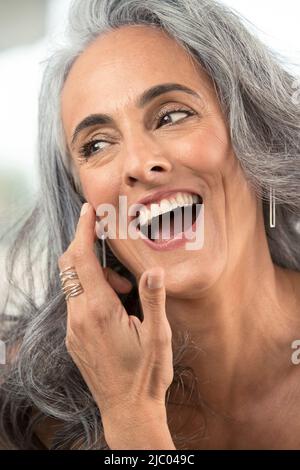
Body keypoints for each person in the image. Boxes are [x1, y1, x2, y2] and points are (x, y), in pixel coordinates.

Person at [1, 0, 300, 450]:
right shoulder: (30, 415)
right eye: (97, 144)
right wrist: (125, 408)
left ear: (254, 133)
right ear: (84, 204)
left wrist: (130, 419)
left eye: (172, 115)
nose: (139, 164)